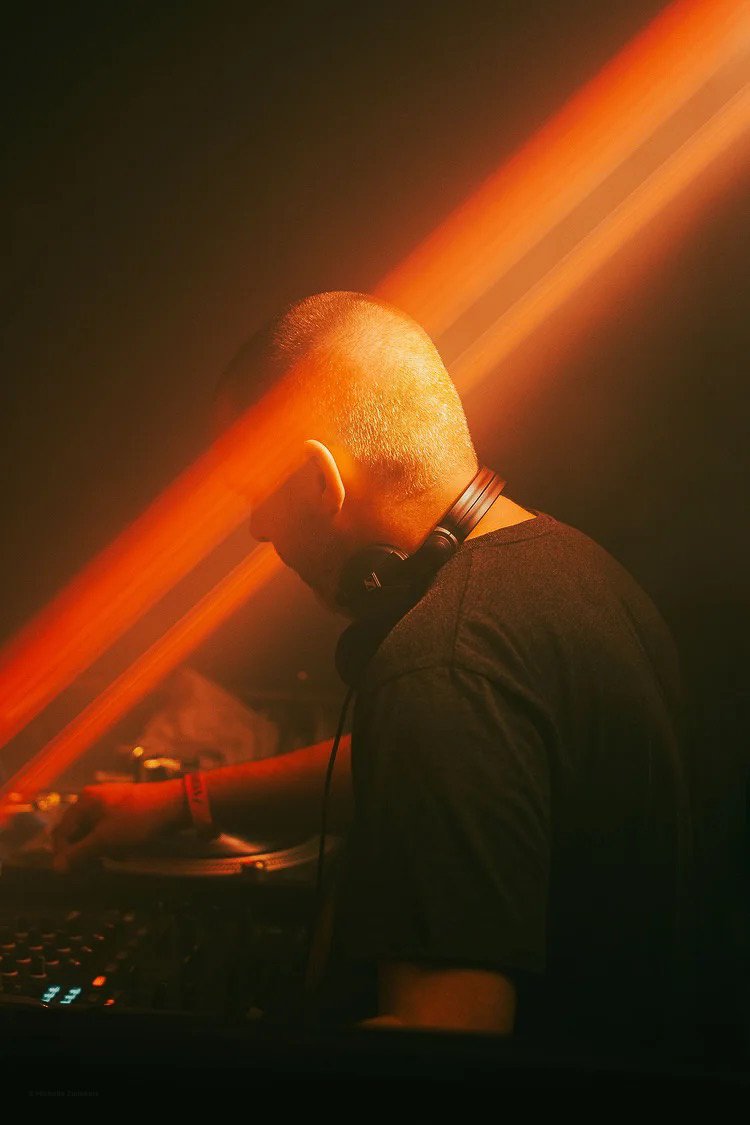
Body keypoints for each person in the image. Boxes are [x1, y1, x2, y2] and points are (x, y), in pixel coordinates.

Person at [52, 291, 693, 1053]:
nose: (257, 528)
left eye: (256, 496)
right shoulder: (572, 570)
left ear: (321, 481)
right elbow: (436, 767)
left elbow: (442, 1039)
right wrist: (184, 799)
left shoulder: (446, 665)